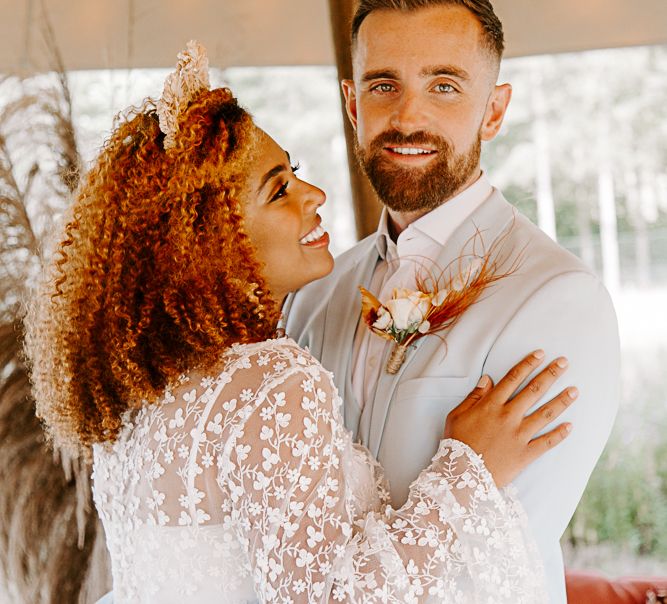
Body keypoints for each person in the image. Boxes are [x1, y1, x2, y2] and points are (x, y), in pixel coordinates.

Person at [24, 42, 576, 604]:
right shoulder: (268, 382)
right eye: (278, 190)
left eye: (297, 172)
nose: (313, 195)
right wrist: (469, 469)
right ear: (206, 242)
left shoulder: (141, 392)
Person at [285, 1, 621, 603]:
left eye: (443, 86)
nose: (407, 115)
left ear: (493, 111)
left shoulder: (558, 299)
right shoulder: (312, 297)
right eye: (383, 85)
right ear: (353, 105)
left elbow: (491, 570)